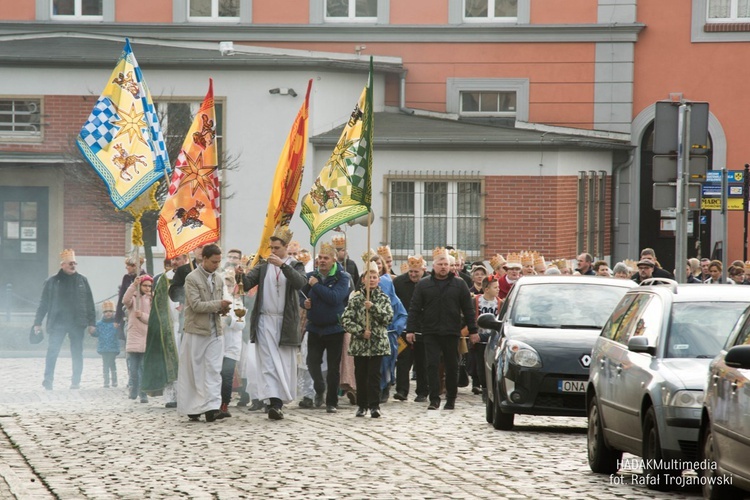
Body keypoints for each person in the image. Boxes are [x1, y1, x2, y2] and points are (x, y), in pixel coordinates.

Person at [238, 226, 307, 420]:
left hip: (285, 322)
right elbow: (247, 283)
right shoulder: (263, 265)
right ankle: (273, 402)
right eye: (271, 248)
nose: (273, 251)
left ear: (285, 247)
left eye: (277, 248)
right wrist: (239, 275)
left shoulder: (295, 265)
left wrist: (283, 266)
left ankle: (279, 400)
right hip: (265, 320)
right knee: (267, 362)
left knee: (283, 363)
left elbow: (300, 283)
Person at [405, 248, 477, 410]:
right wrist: (410, 329)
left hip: (452, 331)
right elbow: (414, 308)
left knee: (452, 366)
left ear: (451, 266)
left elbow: (468, 309)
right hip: (430, 331)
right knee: (431, 365)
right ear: (433, 265)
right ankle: (434, 398)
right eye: (440, 263)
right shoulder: (424, 284)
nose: (443, 267)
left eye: (446, 264)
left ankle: (451, 398)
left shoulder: (459, 284)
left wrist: (472, 331)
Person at [177, 244, 232, 423]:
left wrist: (224, 310)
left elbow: (219, 303)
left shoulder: (219, 279)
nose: (217, 265)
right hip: (197, 330)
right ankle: (193, 406)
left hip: (215, 330)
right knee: (196, 370)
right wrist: (218, 305)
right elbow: (196, 305)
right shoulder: (191, 278)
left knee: (214, 369)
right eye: (214, 262)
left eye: (219, 262)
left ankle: (212, 407)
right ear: (205, 259)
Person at [34, 249, 96, 390]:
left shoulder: (82, 280)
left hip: (77, 322)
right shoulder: (52, 281)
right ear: (62, 265)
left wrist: (92, 323)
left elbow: (89, 302)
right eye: (70, 263)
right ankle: (48, 380)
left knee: (77, 352)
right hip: (58, 322)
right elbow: (43, 303)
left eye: (74, 263)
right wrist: (37, 322)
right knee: (53, 351)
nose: (73, 265)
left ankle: (76, 381)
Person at [301, 242, 351, 413]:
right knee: (312, 362)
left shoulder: (342, 277)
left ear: (333, 260)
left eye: (326, 258)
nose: (322, 261)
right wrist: (305, 303)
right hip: (314, 326)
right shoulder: (311, 275)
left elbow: (334, 298)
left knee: (333, 367)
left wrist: (316, 285)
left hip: (334, 328)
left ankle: (331, 401)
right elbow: (301, 295)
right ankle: (319, 387)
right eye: (320, 258)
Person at [341, 262, 394, 418]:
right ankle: (362, 405)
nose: (371, 280)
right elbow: (346, 319)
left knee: (374, 375)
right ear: (363, 279)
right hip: (360, 344)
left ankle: (374, 405)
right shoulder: (356, 299)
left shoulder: (383, 298)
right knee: (361, 375)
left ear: (378, 280)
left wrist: (374, 308)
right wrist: (360, 331)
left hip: (377, 343)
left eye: (374, 277)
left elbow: (388, 317)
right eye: (368, 277)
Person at [393, 255, 429, 402]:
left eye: (416, 272)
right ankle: (402, 390)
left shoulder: (429, 282)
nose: (413, 275)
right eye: (411, 272)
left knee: (422, 361)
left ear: (423, 270)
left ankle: (422, 392)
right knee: (403, 359)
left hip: (424, 328)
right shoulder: (399, 282)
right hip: (404, 327)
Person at [472, 275, 503, 402]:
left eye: (499, 287)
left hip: (494, 337)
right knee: (480, 364)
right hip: (479, 337)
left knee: (492, 363)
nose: (498, 290)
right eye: (495, 287)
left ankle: (493, 388)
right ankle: (484, 388)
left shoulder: (500, 303)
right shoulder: (476, 300)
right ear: (486, 289)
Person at [217, 272, 244, 419]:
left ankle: (224, 404)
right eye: (224, 286)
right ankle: (213, 403)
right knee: (215, 375)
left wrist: (229, 320)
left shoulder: (237, 303)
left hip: (231, 346)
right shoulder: (216, 301)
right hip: (216, 344)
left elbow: (241, 324)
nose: (226, 288)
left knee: (227, 376)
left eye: (229, 285)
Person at [123, 274, 153, 403]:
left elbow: (153, 318)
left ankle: (143, 392)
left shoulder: (152, 299)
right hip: (134, 335)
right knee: (133, 368)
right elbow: (125, 300)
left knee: (142, 368)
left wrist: (143, 316)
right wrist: (133, 285)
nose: (147, 288)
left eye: (149, 286)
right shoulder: (134, 298)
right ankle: (133, 388)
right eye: (145, 285)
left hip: (146, 335)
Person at [115, 256, 146, 339]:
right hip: (128, 313)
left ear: (135, 266)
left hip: (142, 312)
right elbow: (121, 298)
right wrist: (117, 318)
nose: (126, 267)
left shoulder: (146, 277)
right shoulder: (126, 278)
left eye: (128, 265)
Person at [91, 300, 119, 388]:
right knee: (105, 363)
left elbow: (119, 333)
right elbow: (96, 333)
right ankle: (106, 381)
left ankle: (114, 380)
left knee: (112, 362)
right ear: (103, 313)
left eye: (110, 311)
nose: (108, 313)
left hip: (113, 346)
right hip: (103, 347)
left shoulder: (116, 323)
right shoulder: (99, 324)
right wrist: (92, 332)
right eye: (106, 311)